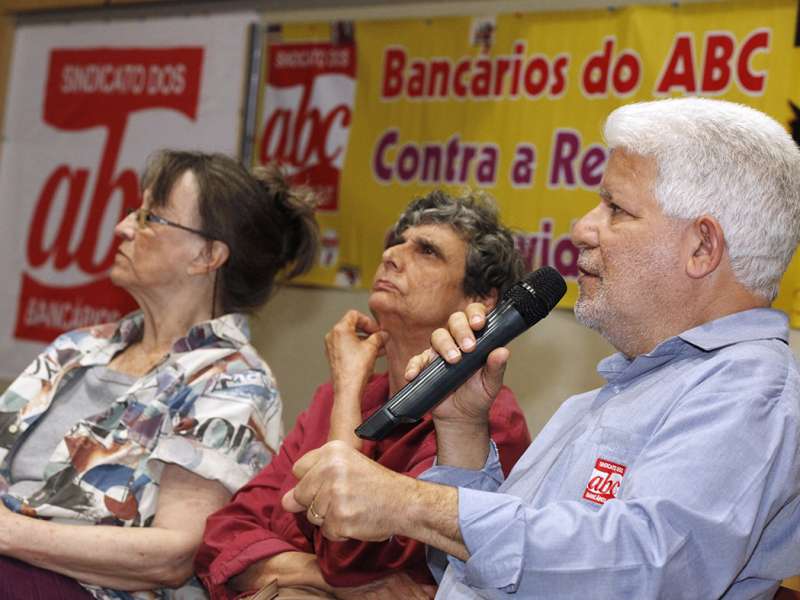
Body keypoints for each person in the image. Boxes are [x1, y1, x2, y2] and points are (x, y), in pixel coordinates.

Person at [279, 97, 800, 599]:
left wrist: (411, 504)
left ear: (702, 247)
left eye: (616, 208)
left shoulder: (753, 392)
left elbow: (642, 569)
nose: (582, 228)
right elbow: (490, 572)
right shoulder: (616, 392)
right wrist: (462, 430)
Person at [0, 150, 320, 600]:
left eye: (150, 217)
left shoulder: (231, 381)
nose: (124, 227)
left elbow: (174, 554)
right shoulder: (77, 348)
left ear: (206, 256)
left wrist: (10, 534)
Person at [195, 190, 532, 599]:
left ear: (479, 301)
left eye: (427, 251)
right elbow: (224, 533)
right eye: (396, 241)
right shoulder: (341, 394)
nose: (392, 255)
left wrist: (284, 569)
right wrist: (324, 579)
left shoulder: (485, 422)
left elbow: (344, 551)